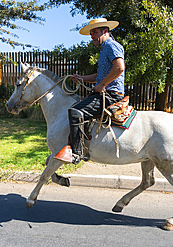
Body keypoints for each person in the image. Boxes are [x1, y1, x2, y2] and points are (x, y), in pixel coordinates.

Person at [54, 18, 126, 164]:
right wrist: (82, 78)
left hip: (111, 95)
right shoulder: (105, 48)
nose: (91, 36)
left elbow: (119, 67)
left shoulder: (111, 46)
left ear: (105, 31)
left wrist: (102, 84)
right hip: (106, 92)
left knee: (75, 112)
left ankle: (77, 153)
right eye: (91, 33)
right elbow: (100, 76)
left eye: (94, 32)